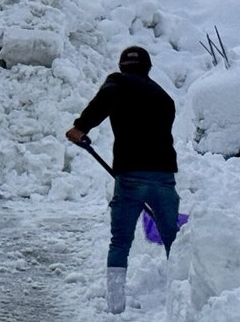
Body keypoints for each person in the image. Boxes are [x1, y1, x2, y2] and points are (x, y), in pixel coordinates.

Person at [66, 46, 179, 315]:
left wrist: (80, 127)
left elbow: (105, 100)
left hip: (131, 175)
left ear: (122, 67)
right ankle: (182, 297)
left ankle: (116, 304)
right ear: (148, 68)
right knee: (173, 239)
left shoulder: (118, 83)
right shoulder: (165, 98)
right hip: (164, 176)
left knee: (120, 241)